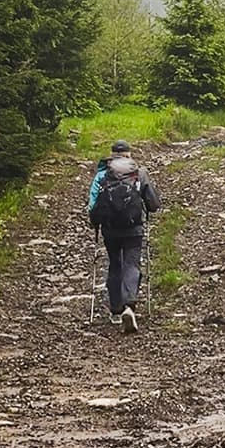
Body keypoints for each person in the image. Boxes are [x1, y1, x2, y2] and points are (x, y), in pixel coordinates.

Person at [86, 139, 161, 333]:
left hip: (110, 229)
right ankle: (130, 305)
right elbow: (153, 204)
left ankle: (116, 310)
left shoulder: (102, 174)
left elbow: (92, 205)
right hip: (133, 228)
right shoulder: (139, 173)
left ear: (111, 154)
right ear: (129, 154)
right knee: (131, 264)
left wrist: (95, 223)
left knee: (115, 264)